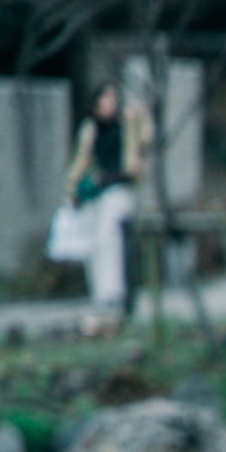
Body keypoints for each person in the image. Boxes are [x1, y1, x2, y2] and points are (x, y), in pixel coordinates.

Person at [64, 82, 151, 318]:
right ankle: (101, 293)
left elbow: (145, 142)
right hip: (98, 190)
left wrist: (141, 117)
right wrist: (72, 189)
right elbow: (82, 160)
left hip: (120, 187)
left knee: (109, 236)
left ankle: (113, 292)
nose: (111, 103)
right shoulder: (91, 128)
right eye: (106, 98)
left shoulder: (126, 124)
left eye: (114, 98)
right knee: (94, 242)